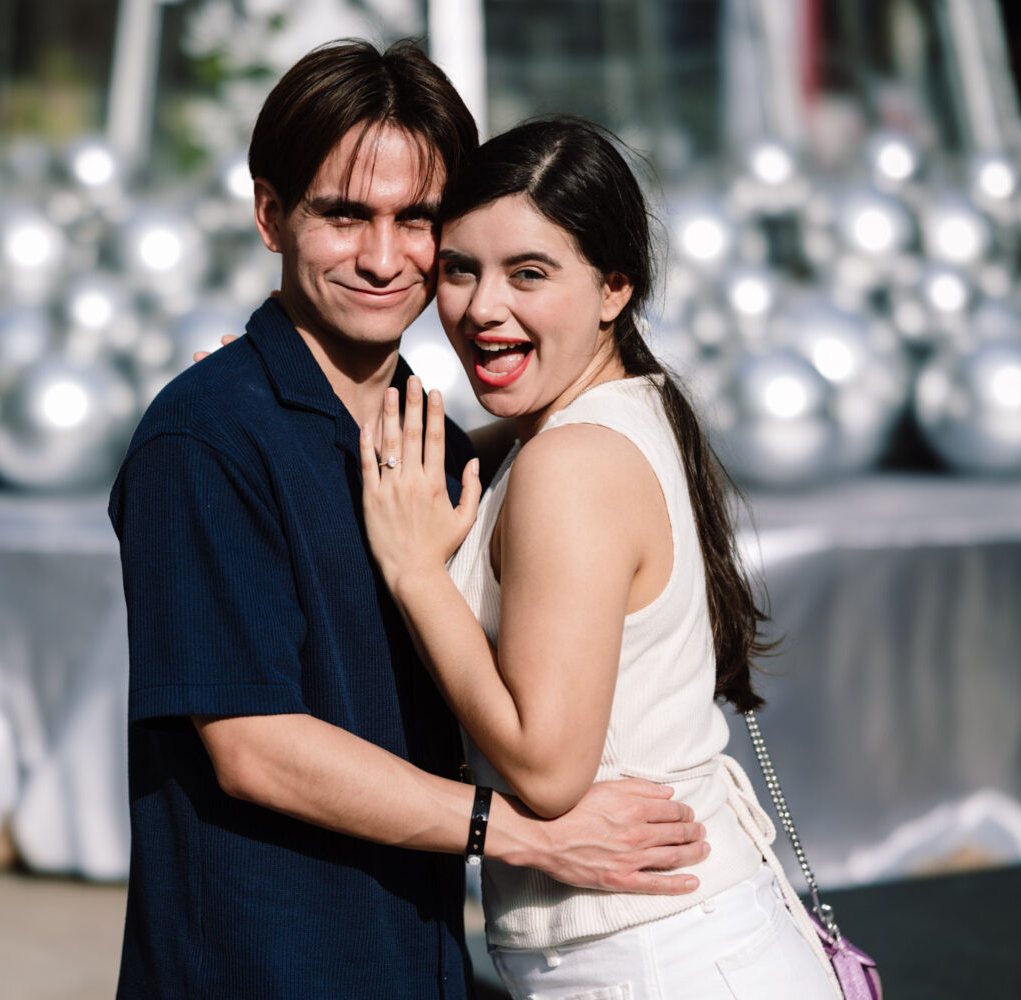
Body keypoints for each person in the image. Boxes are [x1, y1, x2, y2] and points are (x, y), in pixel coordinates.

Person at [109, 43, 709, 999]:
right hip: (262, 967)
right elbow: (254, 746)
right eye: (345, 215)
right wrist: (524, 833)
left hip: (423, 961)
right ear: (270, 215)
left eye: (416, 220)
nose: (384, 258)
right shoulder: (205, 440)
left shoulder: (441, 447)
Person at [358, 115, 843, 999]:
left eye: (529, 273)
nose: (482, 306)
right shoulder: (604, 419)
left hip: (657, 960)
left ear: (614, 287)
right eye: (461, 268)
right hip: (674, 943)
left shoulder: (570, 463)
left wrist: (416, 575)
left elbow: (548, 769)